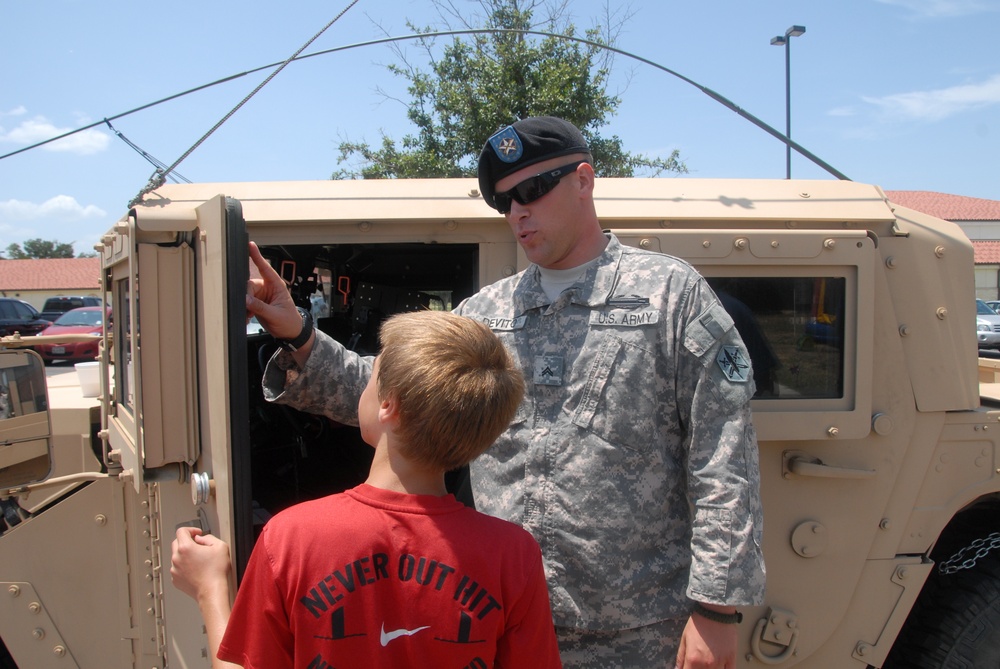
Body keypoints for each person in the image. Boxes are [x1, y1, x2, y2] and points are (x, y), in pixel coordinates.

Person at [248, 116, 766, 668]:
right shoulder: (487, 312)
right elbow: (387, 394)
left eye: (532, 191)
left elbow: (723, 453)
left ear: (585, 180)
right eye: (504, 202)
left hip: (635, 632)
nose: (518, 212)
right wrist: (297, 333)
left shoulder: (670, 297)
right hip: (495, 619)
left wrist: (716, 609)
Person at [171, 310, 563, 669]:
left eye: (372, 375)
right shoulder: (514, 554)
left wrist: (209, 588)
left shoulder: (292, 538)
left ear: (388, 405)